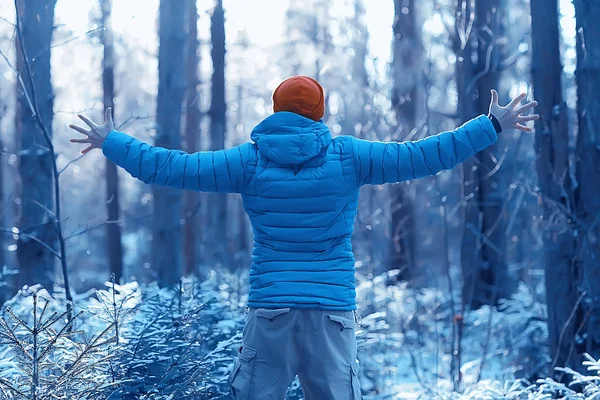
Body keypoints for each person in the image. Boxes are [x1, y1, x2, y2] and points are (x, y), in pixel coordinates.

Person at [69, 76, 538, 400]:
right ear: (319, 113)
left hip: (271, 310)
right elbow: (423, 155)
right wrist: (490, 125)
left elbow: (171, 167)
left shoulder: (248, 161)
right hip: (332, 313)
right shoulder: (349, 157)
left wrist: (112, 140)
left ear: (276, 110)